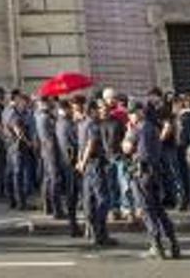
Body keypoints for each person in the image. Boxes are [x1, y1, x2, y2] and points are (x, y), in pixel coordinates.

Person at [123, 102, 180, 259]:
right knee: (159, 209)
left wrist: (127, 132)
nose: (130, 116)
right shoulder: (154, 128)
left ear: (140, 113)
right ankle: (174, 243)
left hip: (142, 173)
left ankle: (157, 245)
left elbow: (126, 148)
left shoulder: (136, 129)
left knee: (147, 210)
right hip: (155, 172)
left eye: (132, 113)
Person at [76, 100, 117, 248]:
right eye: (98, 109)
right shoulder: (92, 124)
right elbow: (90, 144)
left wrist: (80, 162)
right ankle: (100, 234)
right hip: (94, 165)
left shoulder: (81, 124)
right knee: (102, 200)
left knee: (90, 200)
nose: (100, 112)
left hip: (87, 167)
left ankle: (93, 233)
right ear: (92, 111)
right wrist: (83, 161)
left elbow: (80, 145)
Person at [56, 97, 82, 237]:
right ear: (65, 110)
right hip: (71, 163)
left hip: (65, 162)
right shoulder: (67, 124)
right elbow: (76, 141)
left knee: (71, 195)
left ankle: (73, 225)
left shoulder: (60, 123)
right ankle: (73, 226)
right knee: (72, 195)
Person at [35, 96, 63, 218]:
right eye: (47, 102)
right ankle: (57, 209)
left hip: (45, 149)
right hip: (50, 149)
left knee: (47, 178)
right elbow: (54, 132)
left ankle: (47, 206)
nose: (50, 104)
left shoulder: (39, 115)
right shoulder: (46, 117)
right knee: (54, 178)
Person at [5, 90, 33, 209]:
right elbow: (18, 131)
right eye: (21, 99)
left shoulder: (6, 111)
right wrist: (29, 142)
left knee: (11, 174)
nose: (23, 102)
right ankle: (21, 203)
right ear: (16, 99)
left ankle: (12, 201)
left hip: (10, 145)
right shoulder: (13, 113)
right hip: (17, 146)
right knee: (18, 175)